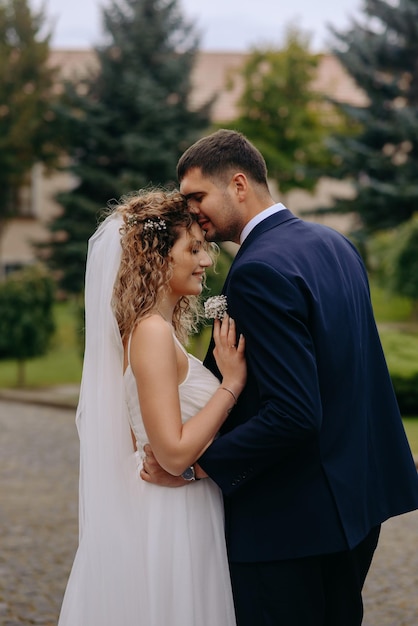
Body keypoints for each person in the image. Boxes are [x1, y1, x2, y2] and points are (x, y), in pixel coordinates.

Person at [142, 130, 418, 626]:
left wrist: (193, 467)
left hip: (289, 524)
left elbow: (294, 413)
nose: (192, 212)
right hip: (355, 506)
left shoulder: (259, 269)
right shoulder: (335, 244)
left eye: (197, 196)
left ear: (240, 184)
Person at [57, 188, 246, 626]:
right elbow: (173, 454)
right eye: (193, 249)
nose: (206, 261)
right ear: (159, 258)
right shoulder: (152, 333)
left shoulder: (150, 329)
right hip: (170, 510)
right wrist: (231, 385)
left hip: (165, 502)